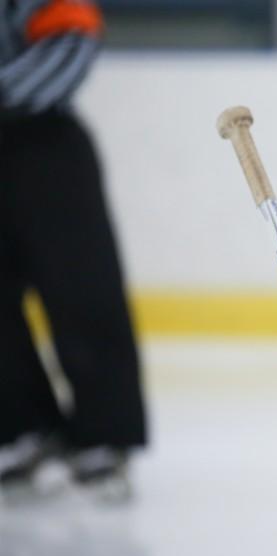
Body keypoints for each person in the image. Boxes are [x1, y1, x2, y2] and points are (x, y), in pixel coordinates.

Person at [0, 0, 146, 498]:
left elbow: (73, 37)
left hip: (43, 143)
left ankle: (103, 437)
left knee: (83, 289)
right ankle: (20, 427)